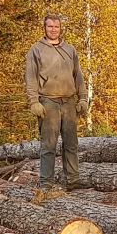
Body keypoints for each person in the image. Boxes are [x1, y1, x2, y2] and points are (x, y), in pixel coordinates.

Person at [25, 13, 89, 189]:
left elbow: (78, 76)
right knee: (48, 146)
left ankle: (73, 181)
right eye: (50, 26)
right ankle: (46, 184)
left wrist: (83, 98)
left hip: (69, 102)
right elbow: (30, 77)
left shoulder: (70, 50)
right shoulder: (36, 50)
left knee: (71, 144)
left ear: (61, 28)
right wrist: (34, 101)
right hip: (48, 102)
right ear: (44, 28)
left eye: (56, 26)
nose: (53, 29)